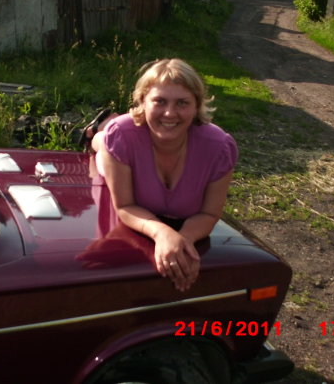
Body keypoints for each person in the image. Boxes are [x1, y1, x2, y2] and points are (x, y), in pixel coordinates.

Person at [83, 58, 238, 291]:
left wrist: (183, 240)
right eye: (160, 101)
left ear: (197, 106)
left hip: (133, 140)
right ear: (143, 101)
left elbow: (210, 213)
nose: (169, 113)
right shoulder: (122, 137)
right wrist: (162, 233)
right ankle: (96, 129)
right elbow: (125, 206)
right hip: (122, 149)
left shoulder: (219, 148)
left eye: (182, 103)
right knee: (103, 144)